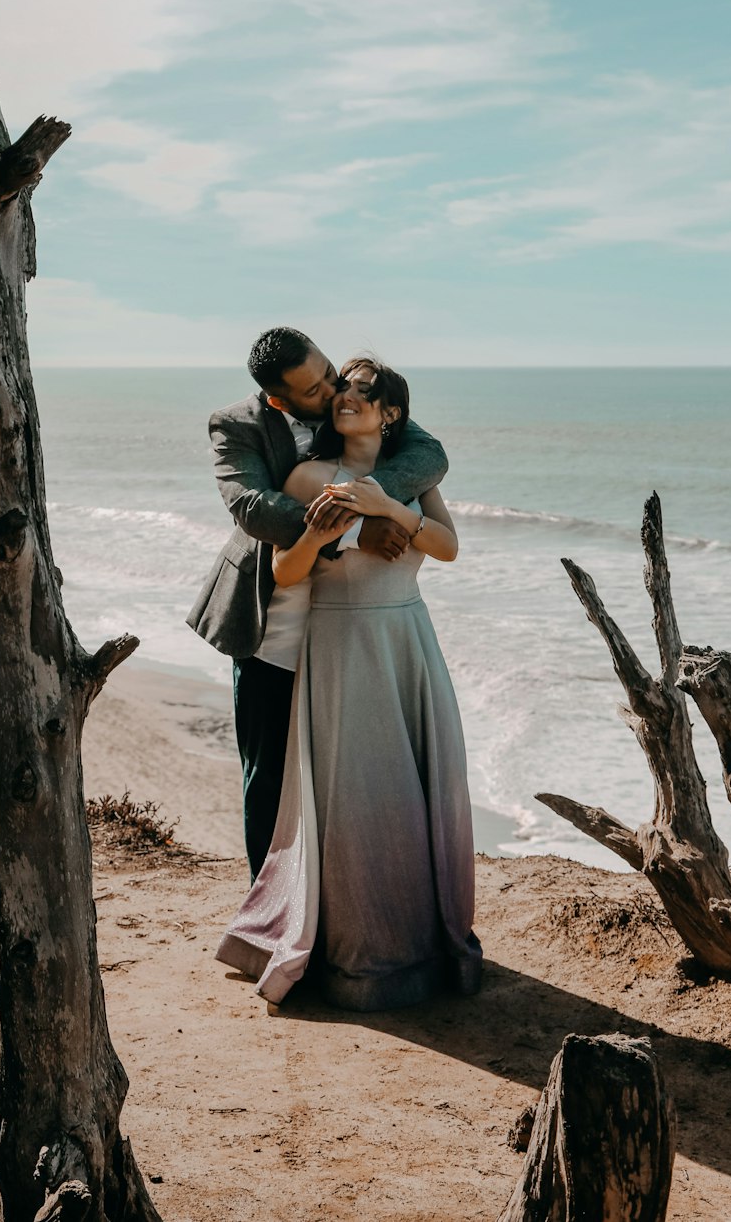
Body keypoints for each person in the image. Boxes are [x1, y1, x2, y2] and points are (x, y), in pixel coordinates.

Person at [216, 356, 482, 1011]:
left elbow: (447, 546)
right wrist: (327, 532)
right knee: (349, 800)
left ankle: (421, 941)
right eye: (342, 390)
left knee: (413, 792)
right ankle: (351, 952)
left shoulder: (414, 473)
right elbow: (285, 570)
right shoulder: (309, 476)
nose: (345, 398)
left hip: (407, 641)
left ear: (391, 412)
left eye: (363, 393)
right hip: (338, 641)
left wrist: (391, 508)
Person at [187, 327, 449, 880]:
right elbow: (257, 511)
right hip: (273, 630)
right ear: (280, 399)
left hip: (346, 638)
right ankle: (270, 920)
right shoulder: (236, 426)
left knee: (343, 783)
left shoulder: (354, 400)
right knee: (271, 779)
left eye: (330, 372)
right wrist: (355, 533)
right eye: (316, 389)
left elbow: (429, 454)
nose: (333, 392)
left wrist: (378, 504)